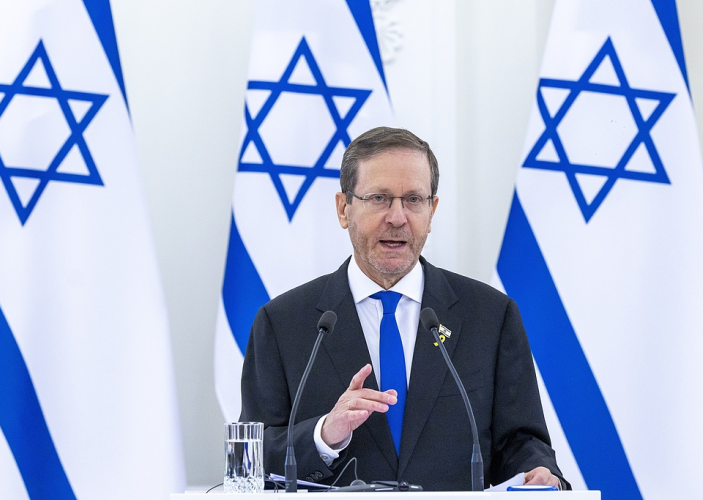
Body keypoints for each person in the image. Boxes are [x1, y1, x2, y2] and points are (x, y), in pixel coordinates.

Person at [239, 127, 569, 491]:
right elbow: (253, 460)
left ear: (432, 211)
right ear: (344, 209)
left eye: (413, 199)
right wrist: (323, 435)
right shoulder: (283, 324)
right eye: (379, 198)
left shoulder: (490, 316)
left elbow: (521, 442)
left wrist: (540, 473)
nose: (397, 217)